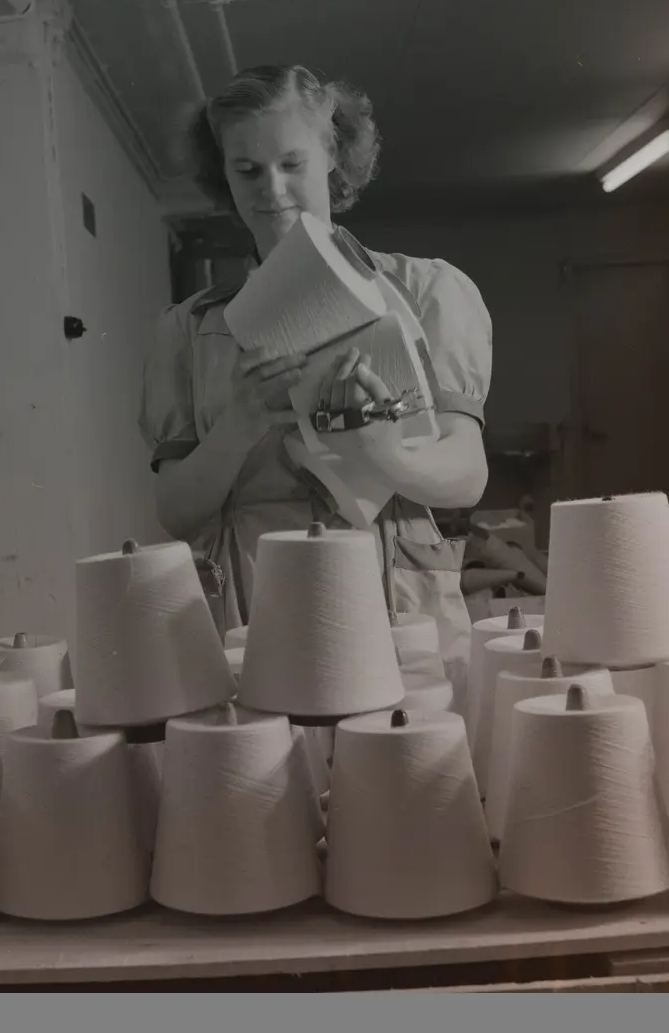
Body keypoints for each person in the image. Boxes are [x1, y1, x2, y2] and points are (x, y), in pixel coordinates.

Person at [138, 65, 492, 699]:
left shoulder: (428, 292)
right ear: (223, 174)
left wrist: (384, 452)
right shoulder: (188, 330)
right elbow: (175, 512)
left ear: (333, 155)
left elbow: (467, 478)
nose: (271, 189)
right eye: (247, 170)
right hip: (257, 613)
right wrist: (239, 425)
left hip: (399, 611)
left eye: (291, 164)